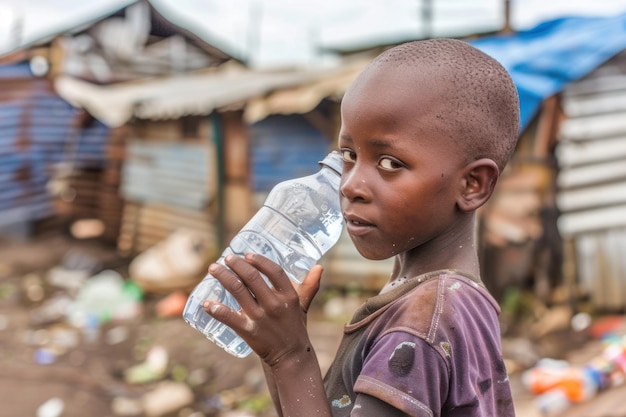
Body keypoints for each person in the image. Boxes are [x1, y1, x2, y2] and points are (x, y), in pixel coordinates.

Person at [202, 38, 520, 417]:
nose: (350, 184)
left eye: (389, 162)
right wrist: (278, 355)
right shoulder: (446, 302)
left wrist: (292, 359)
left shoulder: (419, 326)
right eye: (350, 155)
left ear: (472, 185)